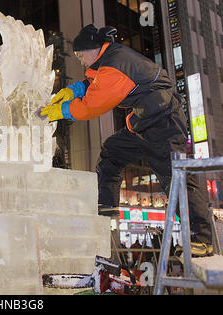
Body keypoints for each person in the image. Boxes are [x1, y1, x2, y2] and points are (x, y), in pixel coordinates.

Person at [41, 24, 213, 257]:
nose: (81, 61)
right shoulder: (110, 60)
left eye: (81, 56)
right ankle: (106, 205)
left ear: (93, 49)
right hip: (145, 124)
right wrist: (74, 90)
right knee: (112, 150)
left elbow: (93, 105)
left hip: (163, 125)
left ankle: (201, 239)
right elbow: (95, 84)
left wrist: (61, 110)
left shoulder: (114, 65)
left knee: (176, 178)